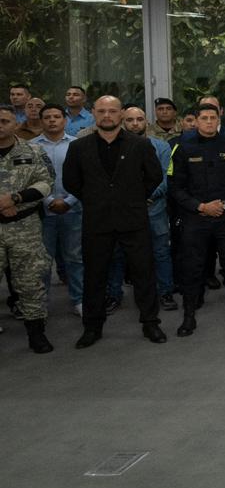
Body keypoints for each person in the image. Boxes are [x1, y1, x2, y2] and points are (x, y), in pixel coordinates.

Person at [62, 96, 167, 347]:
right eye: (101, 111)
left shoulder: (140, 145)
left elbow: (154, 176)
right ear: (94, 114)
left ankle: (150, 323)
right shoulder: (79, 147)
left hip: (133, 219)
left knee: (143, 273)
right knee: (95, 276)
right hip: (97, 220)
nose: (107, 115)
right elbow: (71, 182)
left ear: (120, 114)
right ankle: (92, 327)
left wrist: (133, 198)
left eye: (112, 111)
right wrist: (95, 199)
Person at [167, 103, 225, 335]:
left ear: (219, 120)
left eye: (212, 118)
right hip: (195, 217)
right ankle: (188, 316)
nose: (208, 122)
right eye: (203, 118)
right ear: (196, 121)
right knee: (192, 267)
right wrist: (200, 206)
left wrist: (224, 204)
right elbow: (175, 186)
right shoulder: (182, 148)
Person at [0, 104, 55, 352]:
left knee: (31, 282)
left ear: (15, 124)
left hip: (25, 226)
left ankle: (36, 334)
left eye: (5, 121)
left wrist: (16, 199)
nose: (0, 126)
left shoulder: (33, 150)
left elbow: (46, 182)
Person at [119, 105, 176, 312]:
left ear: (147, 122)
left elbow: (166, 176)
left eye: (139, 119)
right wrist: (133, 200)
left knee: (161, 252)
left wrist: (147, 196)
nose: (135, 124)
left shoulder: (161, 146)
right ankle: (114, 294)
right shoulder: (114, 147)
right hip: (125, 210)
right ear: (123, 122)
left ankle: (165, 292)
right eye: (130, 120)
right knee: (120, 254)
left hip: (155, 209)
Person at [33, 105, 84, 315]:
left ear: (65, 120)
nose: (52, 120)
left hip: (73, 209)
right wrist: (48, 201)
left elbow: (86, 178)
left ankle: (79, 300)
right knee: (41, 261)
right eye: (47, 117)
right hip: (42, 212)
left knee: (75, 258)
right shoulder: (31, 147)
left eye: (56, 116)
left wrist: (69, 201)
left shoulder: (77, 145)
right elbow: (29, 179)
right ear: (41, 121)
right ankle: (40, 303)